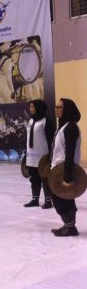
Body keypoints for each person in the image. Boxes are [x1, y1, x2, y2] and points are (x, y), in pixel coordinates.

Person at [50, 98, 82, 237]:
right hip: (58, 168)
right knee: (63, 198)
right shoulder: (63, 126)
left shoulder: (70, 127)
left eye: (59, 107)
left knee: (62, 198)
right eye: (56, 107)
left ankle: (70, 227)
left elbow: (70, 151)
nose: (56, 109)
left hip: (64, 169)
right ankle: (69, 225)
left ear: (67, 109)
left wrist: (67, 172)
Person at [23, 100, 55, 208]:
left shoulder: (46, 121)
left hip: (43, 156)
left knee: (45, 179)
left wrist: (51, 155)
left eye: (32, 107)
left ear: (38, 107)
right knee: (34, 178)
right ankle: (35, 200)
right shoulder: (31, 121)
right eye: (30, 107)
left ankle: (48, 201)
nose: (30, 109)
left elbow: (51, 140)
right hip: (31, 156)